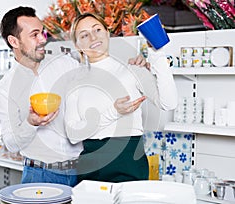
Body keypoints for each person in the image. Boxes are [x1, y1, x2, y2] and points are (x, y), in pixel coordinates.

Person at [0, 7, 148, 186]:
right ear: (14, 41)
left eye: (42, 32)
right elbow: (11, 144)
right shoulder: (5, 89)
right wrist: (31, 123)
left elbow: (99, 64)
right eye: (34, 35)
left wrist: (135, 62)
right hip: (40, 175)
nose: (43, 39)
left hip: (84, 171)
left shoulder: (66, 64)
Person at [65, 12, 178, 183]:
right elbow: (73, 134)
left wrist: (157, 54)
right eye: (84, 35)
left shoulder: (133, 69)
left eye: (97, 29)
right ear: (77, 45)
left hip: (128, 161)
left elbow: (168, 103)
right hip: (90, 165)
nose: (93, 37)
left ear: (107, 33)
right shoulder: (75, 83)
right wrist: (114, 112)